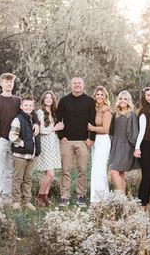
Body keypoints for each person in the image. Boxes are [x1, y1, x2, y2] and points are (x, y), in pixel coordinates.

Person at [0, 73, 39, 208]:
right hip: (2, 141)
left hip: (15, 142)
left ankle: (7, 197)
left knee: (10, 171)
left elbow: (30, 112)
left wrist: (37, 123)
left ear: (13, 84)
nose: (9, 83)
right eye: (6, 81)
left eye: (11, 82)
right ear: (1, 83)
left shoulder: (18, 100)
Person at [57, 76, 96, 207]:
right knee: (65, 170)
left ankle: (81, 196)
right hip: (67, 141)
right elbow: (58, 120)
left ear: (83, 85)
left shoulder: (90, 101)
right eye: (75, 83)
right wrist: (61, 137)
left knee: (83, 170)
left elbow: (93, 121)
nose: (77, 85)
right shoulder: (63, 101)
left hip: (83, 141)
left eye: (79, 83)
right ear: (71, 85)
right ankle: (64, 196)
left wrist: (91, 138)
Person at [9, 95, 41, 211]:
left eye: (30, 105)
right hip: (20, 156)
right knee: (18, 179)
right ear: (21, 107)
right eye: (26, 105)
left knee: (28, 179)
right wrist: (22, 144)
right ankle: (16, 202)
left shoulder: (33, 119)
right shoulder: (18, 119)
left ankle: (26, 201)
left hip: (31, 155)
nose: (28, 107)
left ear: (33, 107)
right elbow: (12, 136)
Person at [35, 91, 64, 207]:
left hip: (54, 145)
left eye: (50, 98)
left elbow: (57, 129)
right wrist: (55, 128)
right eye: (46, 98)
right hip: (45, 145)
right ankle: (40, 196)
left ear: (53, 100)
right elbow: (41, 130)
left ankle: (45, 197)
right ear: (43, 100)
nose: (48, 100)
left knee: (49, 173)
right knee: (50, 175)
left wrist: (59, 128)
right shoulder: (40, 112)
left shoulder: (53, 113)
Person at [109, 90, 140, 192]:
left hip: (126, 146)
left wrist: (136, 148)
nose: (123, 101)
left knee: (113, 171)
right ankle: (123, 199)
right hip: (115, 145)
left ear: (129, 101)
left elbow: (134, 132)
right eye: (121, 98)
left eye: (125, 99)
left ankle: (119, 197)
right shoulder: (116, 114)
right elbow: (111, 131)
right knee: (120, 172)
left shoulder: (131, 115)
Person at [134, 87, 150, 208]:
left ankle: (146, 201)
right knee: (146, 175)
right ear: (144, 97)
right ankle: (141, 203)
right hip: (145, 145)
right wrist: (137, 148)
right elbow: (141, 132)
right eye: (148, 95)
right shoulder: (143, 112)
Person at [88, 86, 112, 203]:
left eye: (102, 95)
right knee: (96, 169)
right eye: (97, 94)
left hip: (103, 141)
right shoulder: (95, 108)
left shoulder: (106, 110)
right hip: (95, 141)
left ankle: (101, 199)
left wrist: (92, 128)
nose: (99, 97)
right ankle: (98, 198)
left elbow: (106, 129)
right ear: (95, 96)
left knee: (99, 169)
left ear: (105, 97)